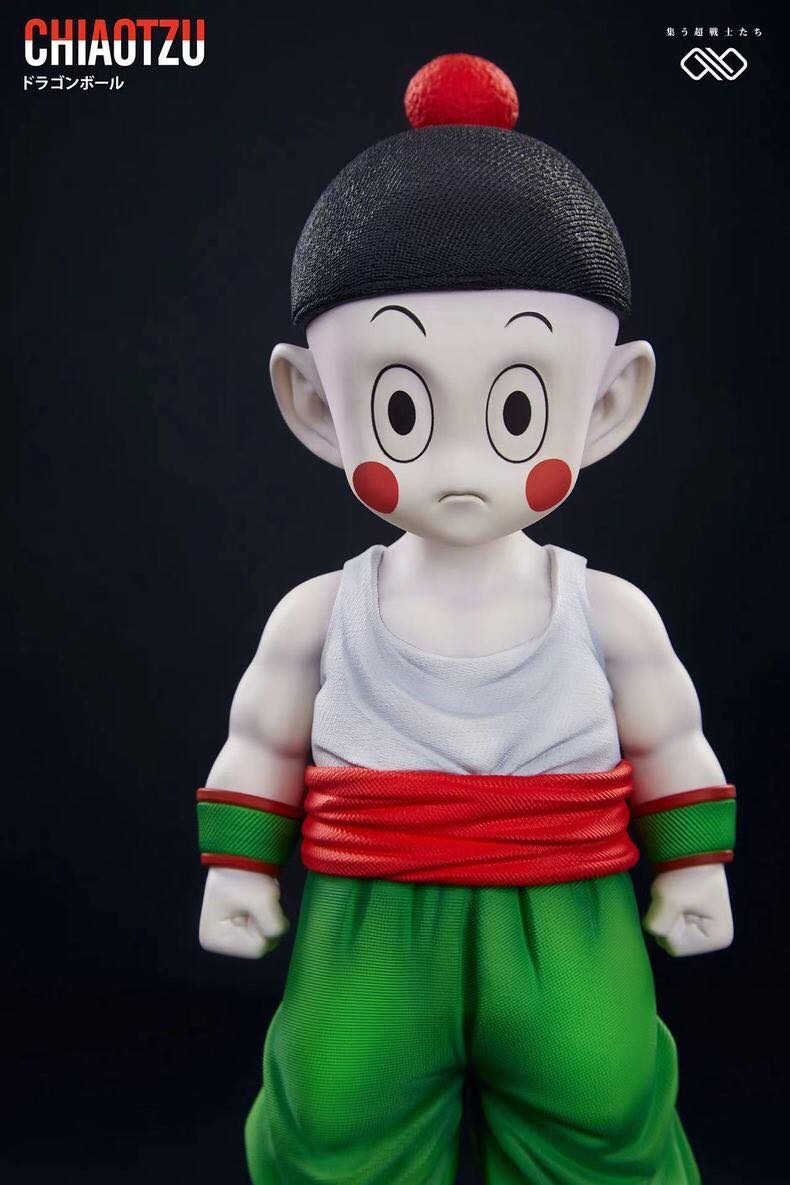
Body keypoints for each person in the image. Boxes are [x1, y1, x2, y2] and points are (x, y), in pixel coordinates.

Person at [196, 53, 735, 1185]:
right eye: (401, 408)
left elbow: (671, 738)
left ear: (608, 403)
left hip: (569, 918)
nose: (456, 465)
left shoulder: (604, 609)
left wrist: (694, 869)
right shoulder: (320, 612)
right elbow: (260, 741)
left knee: (601, 1106)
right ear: (313, 404)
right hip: (368, 923)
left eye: (516, 408)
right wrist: (238, 871)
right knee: (335, 1117)